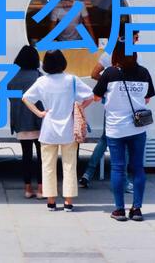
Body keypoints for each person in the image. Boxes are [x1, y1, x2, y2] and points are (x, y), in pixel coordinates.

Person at [22, 50, 93, 212]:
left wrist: (40, 113)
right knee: (69, 166)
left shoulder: (42, 81)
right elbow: (90, 96)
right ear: (62, 62)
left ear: (46, 64)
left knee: (48, 166)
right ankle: (68, 202)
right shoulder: (71, 80)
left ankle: (51, 201)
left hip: (48, 129)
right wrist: (79, 108)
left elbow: (26, 98)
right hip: (69, 129)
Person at [93, 40, 155, 222]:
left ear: (116, 55)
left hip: (116, 128)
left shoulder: (110, 73)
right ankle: (136, 209)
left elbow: (96, 97)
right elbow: (147, 99)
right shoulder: (144, 72)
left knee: (118, 168)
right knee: (138, 168)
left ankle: (119, 210)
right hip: (138, 128)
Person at [80, 31, 139, 191]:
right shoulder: (134, 55)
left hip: (111, 102)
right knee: (125, 140)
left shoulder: (108, 55)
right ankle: (124, 182)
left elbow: (94, 74)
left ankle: (88, 173)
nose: (137, 40)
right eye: (136, 36)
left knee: (105, 139)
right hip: (128, 105)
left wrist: (109, 83)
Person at [7, 45, 43, 199]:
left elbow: (12, 100)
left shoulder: (13, 80)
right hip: (39, 123)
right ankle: (41, 189)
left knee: (26, 157)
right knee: (43, 158)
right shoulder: (39, 77)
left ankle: (28, 189)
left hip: (21, 124)